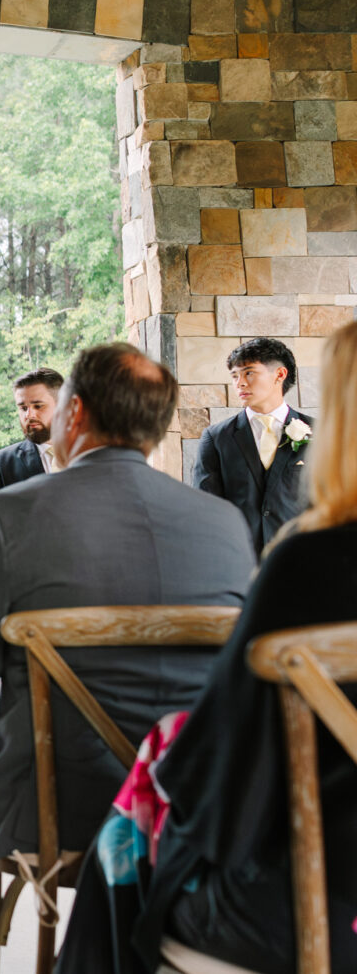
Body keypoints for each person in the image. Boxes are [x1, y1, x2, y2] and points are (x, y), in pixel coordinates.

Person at [0, 342, 256, 974]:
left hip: (49, 807)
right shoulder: (224, 525)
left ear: (73, 413)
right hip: (188, 806)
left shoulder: (10, 514)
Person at [58, 322, 357, 974]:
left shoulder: (311, 565)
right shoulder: (222, 443)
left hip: (313, 906)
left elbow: (214, 770)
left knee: (126, 841)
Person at [193, 337, 313, 555]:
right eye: (234, 375)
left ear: (279, 374)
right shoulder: (216, 438)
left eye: (248, 372)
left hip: (302, 562)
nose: (239, 383)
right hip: (238, 563)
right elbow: (206, 512)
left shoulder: (319, 433)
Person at [0, 367, 63, 497]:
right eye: (23, 408)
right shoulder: (0, 465)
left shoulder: (95, 455)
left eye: (38, 406)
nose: (29, 415)